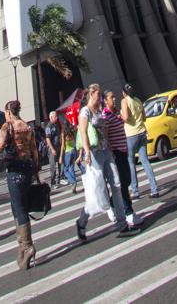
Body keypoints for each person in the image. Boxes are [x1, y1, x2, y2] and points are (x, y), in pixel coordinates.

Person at [75, 83, 140, 241]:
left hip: (107, 152)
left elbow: (105, 131)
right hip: (95, 154)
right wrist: (87, 151)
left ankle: (122, 225)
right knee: (97, 192)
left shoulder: (98, 111)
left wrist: (110, 147)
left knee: (116, 185)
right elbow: (82, 131)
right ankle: (82, 222)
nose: (100, 98)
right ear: (92, 94)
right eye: (98, 95)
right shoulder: (85, 111)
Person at [0, 99, 39, 270]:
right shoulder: (27, 127)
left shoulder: (8, 126)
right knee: (19, 207)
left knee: (18, 209)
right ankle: (22, 247)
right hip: (28, 168)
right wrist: (36, 172)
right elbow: (34, 150)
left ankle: (27, 246)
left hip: (14, 170)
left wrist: (2, 143)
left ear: (8, 112)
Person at [103, 90, 143, 227]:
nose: (114, 99)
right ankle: (129, 213)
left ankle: (112, 205)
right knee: (123, 185)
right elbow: (106, 136)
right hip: (116, 154)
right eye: (111, 97)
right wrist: (111, 154)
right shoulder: (106, 116)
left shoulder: (116, 113)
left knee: (126, 181)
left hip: (123, 151)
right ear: (105, 101)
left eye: (114, 97)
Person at [120, 83, 159, 199]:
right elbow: (144, 118)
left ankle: (135, 191)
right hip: (142, 132)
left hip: (131, 134)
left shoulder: (124, 101)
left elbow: (126, 118)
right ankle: (154, 189)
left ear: (124, 93)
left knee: (131, 162)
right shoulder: (138, 100)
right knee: (145, 161)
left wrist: (121, 115)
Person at [45, 111, 64, 189]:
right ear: (51, 117)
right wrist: (52, 149)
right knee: (53, 166)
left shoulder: (56, 125)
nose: (57, 117)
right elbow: (48, 139)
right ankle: (53, 183)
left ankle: (61, 178)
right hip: (52, 148)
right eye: (55, 116)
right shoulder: (48, 127)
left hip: (58, 146)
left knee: (61, 163)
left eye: (57, 116)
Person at [62, 122, 81, 194]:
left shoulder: (64, 134)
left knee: (65, 170)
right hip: (74, 151)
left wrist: (61, 156)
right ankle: (74, 188)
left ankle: (73, 182)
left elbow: (63, 146)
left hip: (68, 152)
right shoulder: (72, 133)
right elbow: (75, 142)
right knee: (71, 168)